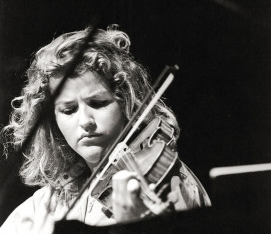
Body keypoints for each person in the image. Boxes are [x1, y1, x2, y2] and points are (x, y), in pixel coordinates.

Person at [1, 25, 211, 233]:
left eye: (98, 103)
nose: (85, 121)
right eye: (69, 110)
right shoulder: (41, 210)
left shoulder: (170, 184)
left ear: (126, 102)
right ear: (52, 121)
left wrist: (137, 226)